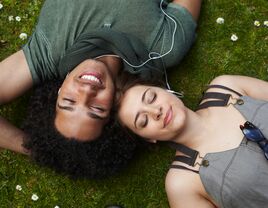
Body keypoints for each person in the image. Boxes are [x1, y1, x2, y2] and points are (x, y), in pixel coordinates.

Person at [0, 0, 202, 155]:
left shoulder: (45, 53)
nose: (86, 92)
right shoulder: (162, 48)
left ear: (59, 91)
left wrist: (36, 148)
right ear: (113, 105)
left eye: (69, 101)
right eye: (96, 109)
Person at [116, 75, 268, 207]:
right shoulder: (181, 183)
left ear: (163, 89)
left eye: (152, 98)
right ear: (148, 138)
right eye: (143, 121)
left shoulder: (226, 87)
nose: (156, 111)